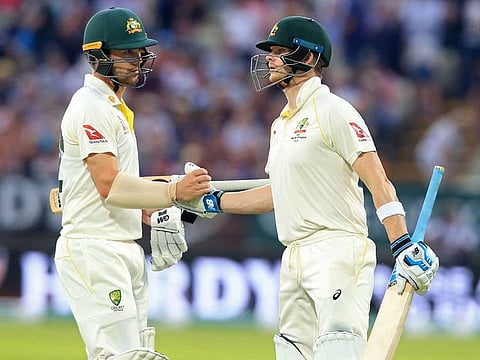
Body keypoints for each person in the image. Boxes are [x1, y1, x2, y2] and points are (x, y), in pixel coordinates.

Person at [175, 16, 439, 360]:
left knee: (338, 350)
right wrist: (214, 202)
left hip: (337, 248)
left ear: (309, 58)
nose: (270, 58)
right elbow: (278, 193)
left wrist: (401, 243)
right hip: (294, 254)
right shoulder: (279, 124)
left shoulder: (334, 111)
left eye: (280, 51)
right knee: (292, 353)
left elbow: (378, 180)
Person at [53, 7, 211, 360]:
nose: (137, 59)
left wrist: (159, 210)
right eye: (126, 52)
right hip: (95, 247)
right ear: (98, 55)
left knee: (137, 354)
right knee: (122, 356)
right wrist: (173, 191)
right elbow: (109, 185)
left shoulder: (112, 107)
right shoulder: (91, 105)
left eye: (139, 51)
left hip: (120, 246)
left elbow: (115, 187)